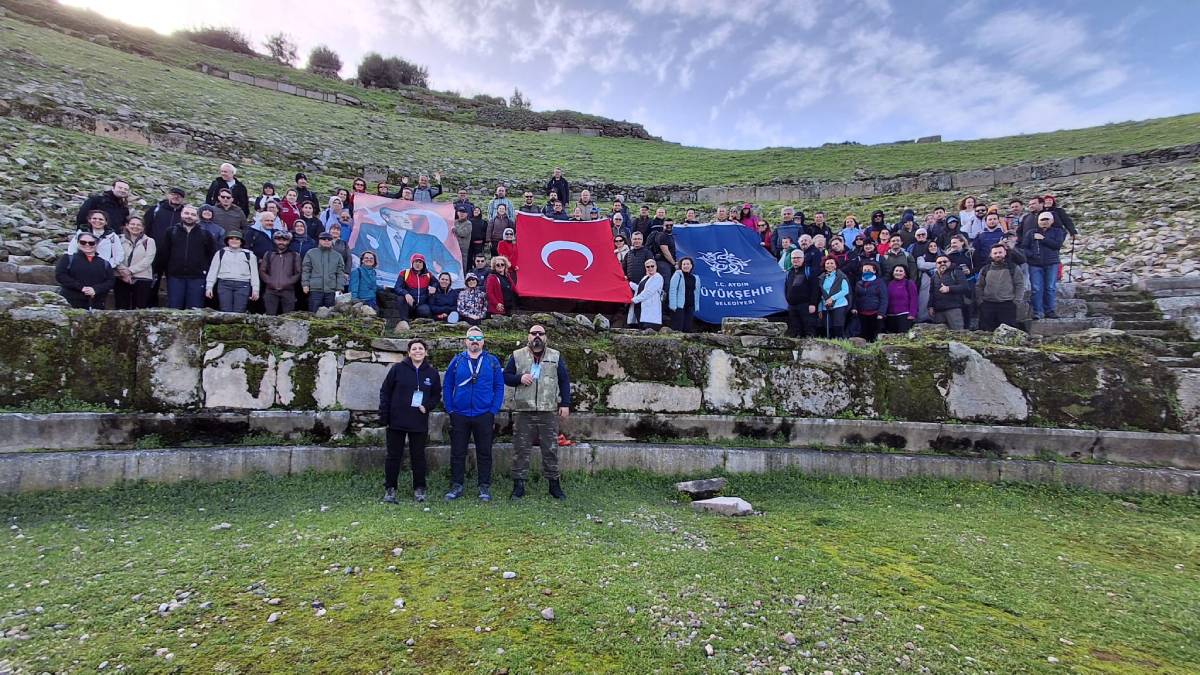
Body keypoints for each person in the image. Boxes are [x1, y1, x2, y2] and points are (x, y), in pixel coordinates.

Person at [503, 325, 572, 500]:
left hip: (547, 410)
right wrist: (519, 378)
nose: (537, 336)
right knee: (521, 449)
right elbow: (506, 377)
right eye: (533, 333)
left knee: (550, 449)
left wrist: (565, 403)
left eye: (540, 333)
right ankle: (518, 486)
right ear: (528, 337)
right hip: (523, 410)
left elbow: (563, 380)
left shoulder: (555, 356)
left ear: (546, 337)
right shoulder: (517, 355)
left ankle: (554, 485)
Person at [442, 326, 505, 502]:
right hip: (460, 413)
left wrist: (493, 409)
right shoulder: (457, 361)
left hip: (483, 413)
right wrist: (450, 408)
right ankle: (457, 485)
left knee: (484, 452)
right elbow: (447, 385)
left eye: (478, 338)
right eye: (471, 338)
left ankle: (484, 486)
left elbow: (499, 387)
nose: (474, 341)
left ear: (483, 341)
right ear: (465, 341)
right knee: (457, 452)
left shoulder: (492, 361)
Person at [379, 338, 441, 504]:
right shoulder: (397, 369)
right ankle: (390, 489)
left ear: (426, 352)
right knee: (393, 456)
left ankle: (419, 488)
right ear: (409, 352)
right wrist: (384, 415)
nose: (417, 351)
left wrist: (427, 406)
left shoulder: (432, 373)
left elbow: (436, 395)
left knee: (418, 456)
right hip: (397, 420)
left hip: (418, 420)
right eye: (414, 349)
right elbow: (385, 392)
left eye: (421, 348)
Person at [159, 205, 217, 310]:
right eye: (186, 213)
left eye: (192, 214)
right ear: (181, 214)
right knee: (174, 309)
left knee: (195, 310)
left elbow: (211, 255)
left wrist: (205, 270)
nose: (189, 216)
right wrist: (166, 270)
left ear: (197, 217)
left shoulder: (205, 234)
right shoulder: (171, 232)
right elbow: (164, 253)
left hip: (197, 277)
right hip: (175, 276)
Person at [1023, 211, 1066, 320]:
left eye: (1047, 219)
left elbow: (1057, 245)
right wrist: (1031, 255)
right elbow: (1024, 247)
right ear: (1038, 221)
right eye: (1042, 219)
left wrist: (1043, 239)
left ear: (1051, 221)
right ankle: (1038, 312)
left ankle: (1050, 310)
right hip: (1034, 264)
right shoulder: (1031, 233)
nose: (1044, 221)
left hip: (1052, 263)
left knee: (1050, 287)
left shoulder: (1058, 232)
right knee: (1036, 288)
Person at [55, 233, 115, 310]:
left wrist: (95, 289)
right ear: (78, 243)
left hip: (96, 303)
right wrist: (81, 288)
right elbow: (60, 275)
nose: (87, 245)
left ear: (96, 244)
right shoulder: (67, 258)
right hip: (70, 302)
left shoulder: (104, 263)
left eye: (91, 243)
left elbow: (110, 281)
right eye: (83, 242)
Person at [205, 230, 259, 313]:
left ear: (241, 242)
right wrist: (209, 287)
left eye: (237, 239)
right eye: (231, 239)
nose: (234, 241)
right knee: (225, 310)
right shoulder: (220, 253)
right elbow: (213, 271)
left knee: (240, 311)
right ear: (227, 241)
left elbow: (254, 274)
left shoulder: (249, 255)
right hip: (224, 284)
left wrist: (255, 289)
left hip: (243, 285)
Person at [976, 243, 1026, 331]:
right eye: (995, 253)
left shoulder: (1013, 268)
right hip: (988, 305)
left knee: (1008, 333)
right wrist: (980, 301)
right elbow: (979, 286)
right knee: (986, 332)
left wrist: (1016, 301)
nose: (998, 255)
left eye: (1000, 252)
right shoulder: (985, 269)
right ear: (991, 255)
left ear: (1005, 253)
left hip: (1007, 305)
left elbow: (1020, 285)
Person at [114, 216, 156, 310]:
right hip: (121, 277)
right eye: (132, 224)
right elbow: (114, 256)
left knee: (139, 308)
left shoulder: (149, 241)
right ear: (127, 226)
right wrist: (122, 271)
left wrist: (129, 271)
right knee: (122, 307)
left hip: (142, 278)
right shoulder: (118, 239)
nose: (135, 227)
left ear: (143, 228)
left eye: (138, 225)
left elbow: (148, 259)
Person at [260, 230, 302, 315]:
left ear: (289, 241)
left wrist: (288, 282)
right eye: (278, 239)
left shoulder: (294, 255)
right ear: (274, 240)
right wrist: (270, 281)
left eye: (284, 240)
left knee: (288, 317)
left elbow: (298, 272)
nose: (281, 242)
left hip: (288, 290)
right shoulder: (268, 254)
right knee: (270, 316)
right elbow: (262, 270)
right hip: (270, 290)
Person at [302, 232, 345, 312]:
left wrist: (340, 288)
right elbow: (306, 270)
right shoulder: (311, 253)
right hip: (315, 290)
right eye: (323, 239)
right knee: (313, 313)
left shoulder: (337, 256)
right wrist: (305, 284)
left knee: (329, 315)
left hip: (331, 290)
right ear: (319, 240)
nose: (326, 241)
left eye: (329, 239)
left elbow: (340, 273)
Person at [927, 255, 970, 329]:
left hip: (954, 309)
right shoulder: (934, 276)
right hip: (938, 311)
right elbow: (931, 292)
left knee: (958, 334)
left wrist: (949, 288)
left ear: (950, 262)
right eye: (939, 262)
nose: (942, 263)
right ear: (936, 265)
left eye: (945, 261)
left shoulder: (956, 272)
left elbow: (965, 287)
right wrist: (930, 306)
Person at [393, 253, 434, 328]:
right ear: (412, 263)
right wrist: (406, 294)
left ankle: (418, 323)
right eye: (416, 262)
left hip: (421, 305)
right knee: (400, 298)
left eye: (420, 262)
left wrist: (433, 287)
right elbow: (397, 288)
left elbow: (436, 283)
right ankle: (405, 323)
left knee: (425, 310)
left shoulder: (428, 275)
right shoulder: (404, 273)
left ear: (423, 264)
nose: (418, 264)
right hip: (409, 304)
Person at [784, 249, 819, 338]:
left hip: (806, 305)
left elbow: (815, 289)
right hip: (792, 306)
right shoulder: (789, 272)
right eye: (793, 258)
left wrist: (813, 304)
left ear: (803, 258)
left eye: (798, 258)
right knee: (796, 330)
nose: (795, 260)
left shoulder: (809, 271)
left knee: (809, 329)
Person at [851, 260, 887, 342]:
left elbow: (884, 298)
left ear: (874, 271)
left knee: (875, 336)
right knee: (863, 335)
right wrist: (854, 307)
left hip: (875, 313)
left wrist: (881, 313)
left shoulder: (880, 282)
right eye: (865, 270)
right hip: (861, 313)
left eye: (869, 269)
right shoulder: (859, 283)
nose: (867, 271)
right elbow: (856, 297)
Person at [817, 256, 851, 338]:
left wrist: (832, 298)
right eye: (827, 263)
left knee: (838, 328)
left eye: (832, 263)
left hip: (839, 305)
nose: (829, 265)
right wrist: (820, 309)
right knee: (828, 329)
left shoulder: (841, 276)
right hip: (826, 307)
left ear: (836, 265)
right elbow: (820, 294)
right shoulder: (821, 278)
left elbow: (845, 290)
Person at [628, 258, 664, 330]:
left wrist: (634, 300)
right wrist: (628, 283)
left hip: (650, 308)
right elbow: (639, 289)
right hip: (639, 306)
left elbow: (648, 292)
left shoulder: (658, 277)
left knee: (648, 329)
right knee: (641, 328)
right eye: (648, 267)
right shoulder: (645, 277)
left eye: (652, 266)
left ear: (656, 266)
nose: (650, 268)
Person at [668, 257, 699, 332]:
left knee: (687, 328)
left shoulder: (696, 278)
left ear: (691, 266)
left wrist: (696, 305)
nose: (686, 266)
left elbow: (696, 292)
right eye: (684, 264)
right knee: (678, 328)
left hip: (690, 306)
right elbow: (672, 290)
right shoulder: (677, 275)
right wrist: (673, 305)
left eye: (688, 264)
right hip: (679, 306)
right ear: (681, 266)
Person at [884, 265, 918, 333]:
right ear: (893, 273)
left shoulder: (909, 283)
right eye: (896, 271)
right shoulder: (889, 284)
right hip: (890, 315)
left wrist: (912, 314)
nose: (898, 272)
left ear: (905, 274)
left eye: (901, 271)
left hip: (904, 315)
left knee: (903, 337)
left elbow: (914, 299)